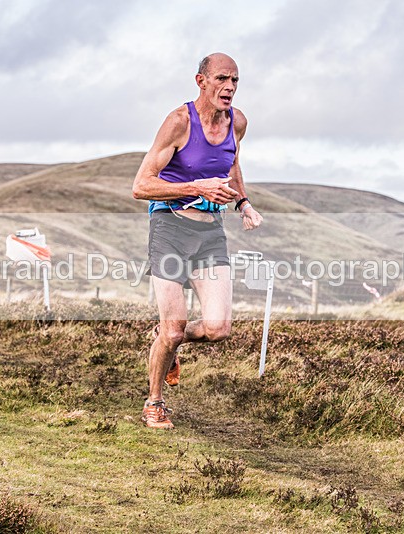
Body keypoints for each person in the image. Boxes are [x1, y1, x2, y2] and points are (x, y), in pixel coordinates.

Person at [132, 52, 263, 429]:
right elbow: (141, 186)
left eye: (235, 80)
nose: (230, 87)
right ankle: (154, 402)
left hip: (209, 232)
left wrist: (243, 202)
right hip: (170, 227)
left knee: (217, 328)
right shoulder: (178, 122)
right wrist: (194, 187)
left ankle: (165, 339)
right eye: (222, 79)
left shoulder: (237, 122)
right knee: (175, 328)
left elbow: (232, 164)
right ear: (201, 80)